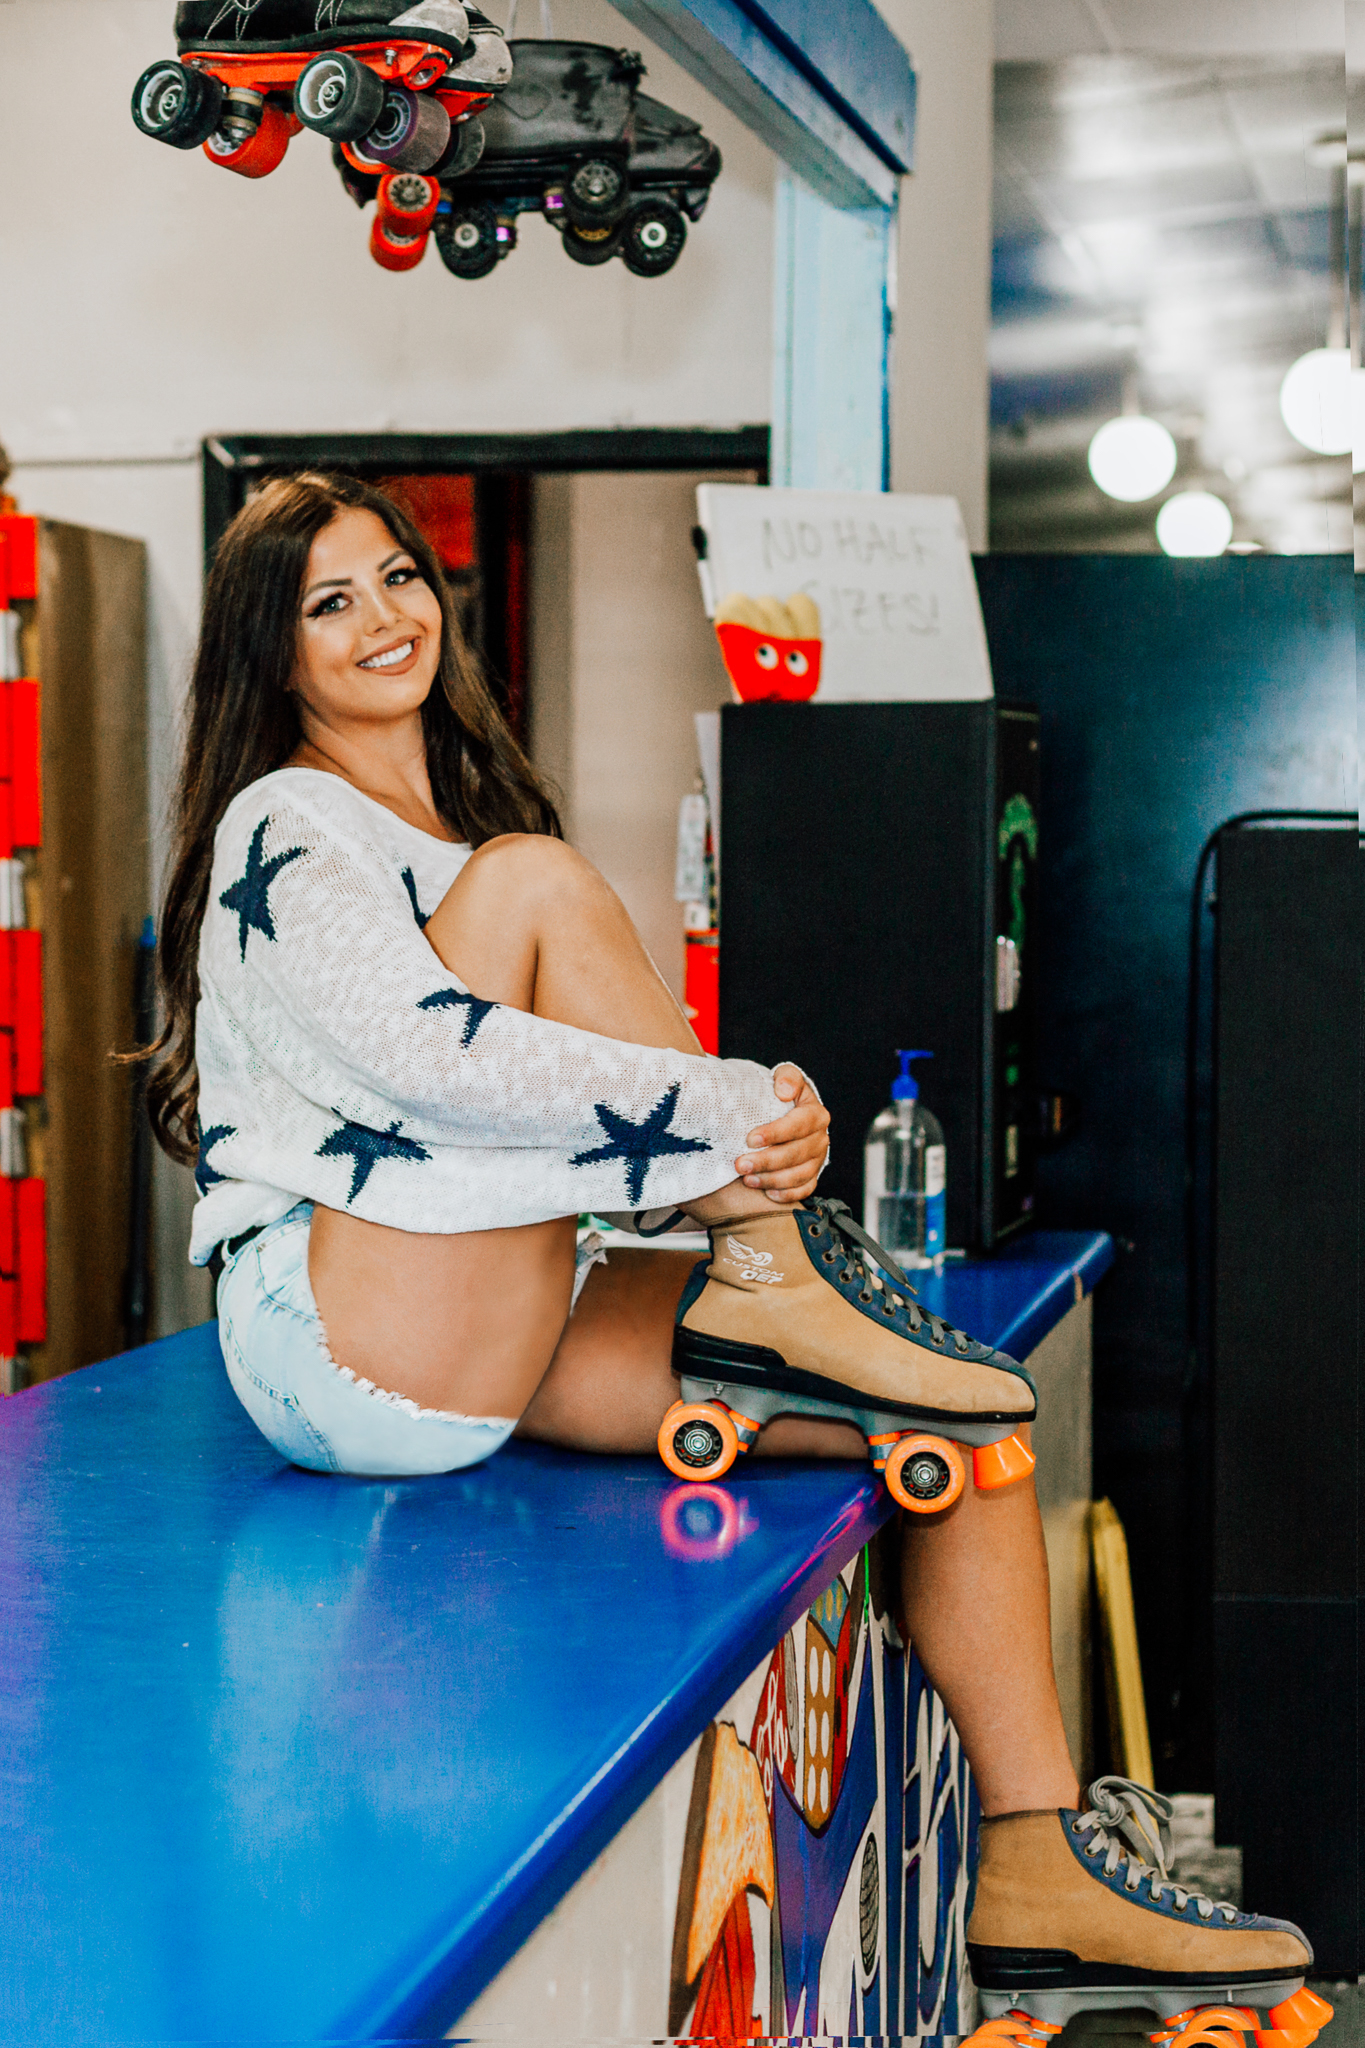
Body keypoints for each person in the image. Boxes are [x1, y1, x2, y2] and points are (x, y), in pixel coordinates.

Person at [143, 471, 1321, 2039]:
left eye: (399, 577)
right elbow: (425, 1066)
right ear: (267, 653)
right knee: (543, 882)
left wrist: (719, 1135)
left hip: (490, 1299)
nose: (385, 617)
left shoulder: (463, 828)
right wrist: (739, 1114)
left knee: (963, 1416)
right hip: (344, 1342)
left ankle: (1039, 1870)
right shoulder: (286, 819)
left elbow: (549, 1135)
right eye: (329, 599)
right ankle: (774, 1259)